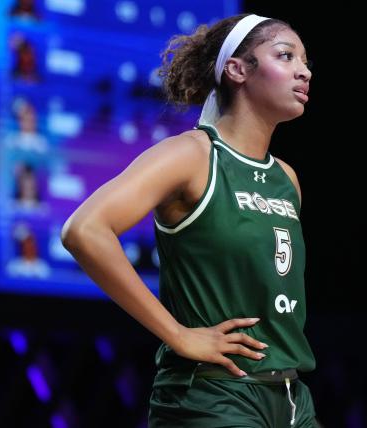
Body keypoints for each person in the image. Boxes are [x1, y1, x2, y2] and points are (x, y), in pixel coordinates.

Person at [60, 13, 318, 427]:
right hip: (212, 395)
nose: (304, 72)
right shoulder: (192, 155)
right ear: (237, 69)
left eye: (305, 62)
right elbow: (85, 229)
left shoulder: (286, 179)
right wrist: (177, 334)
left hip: (292, 400)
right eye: (286, 56)